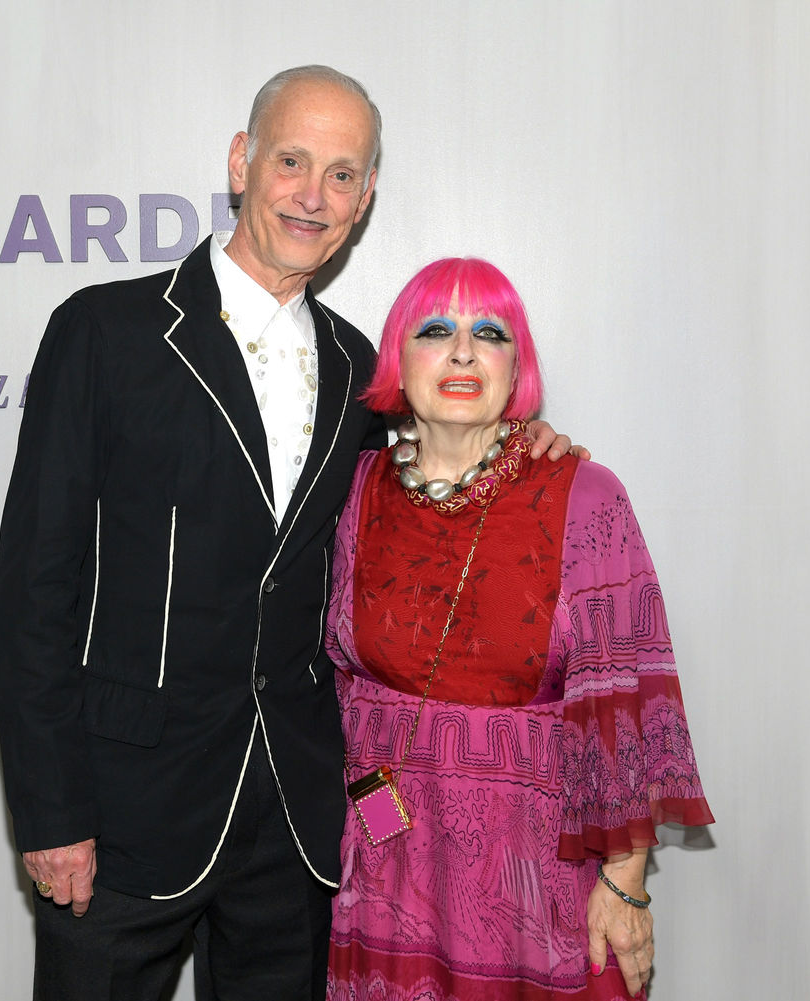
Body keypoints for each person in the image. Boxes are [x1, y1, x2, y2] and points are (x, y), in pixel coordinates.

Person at [0, 68, 574, 1001]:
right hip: (123, 810)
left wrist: (524, 442)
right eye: (293, 161)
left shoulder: (360, 370)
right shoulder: (105, 331)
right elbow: (33, 594)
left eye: (343, 175)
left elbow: (437, 480)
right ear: (240, 162)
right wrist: (52, 810)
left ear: (366, 197)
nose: (313, 194)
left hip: (295, 823)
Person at [324, 257, 713, 1000]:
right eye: (436, 330)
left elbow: (625, 703)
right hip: (386, 868)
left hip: (536, 885)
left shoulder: (583, 495)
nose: (463, 351)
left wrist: (626, 886)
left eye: (490, 333)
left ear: (517, 367)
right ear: (398, 364)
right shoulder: (358, 487)